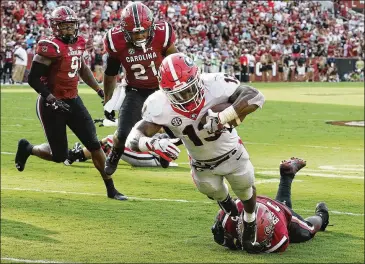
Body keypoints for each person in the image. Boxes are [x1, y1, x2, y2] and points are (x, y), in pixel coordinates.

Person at [129, 53, 265, 253]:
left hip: (231, 152)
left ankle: (250, 222)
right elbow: (134, 138)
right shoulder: (159, 104)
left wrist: (222, 117)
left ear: (198, 77)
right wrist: (151, 144)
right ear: (165, 92)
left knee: (245, 188)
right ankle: (232, 213)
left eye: (189, 89)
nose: (186, 98)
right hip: (201, 163)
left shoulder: (217, 84)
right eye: (178, 94)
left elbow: (256, 96)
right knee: (213, 191)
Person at [14, 6, 126, 201]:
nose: (69, 30)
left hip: (73, 100)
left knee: (93, 144)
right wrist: (51, 99)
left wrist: (98, 90)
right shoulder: (49, 47)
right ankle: (28, 148)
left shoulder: (79, 43)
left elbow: (81, 68)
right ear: (56, 28)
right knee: (59, 155)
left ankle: (111, 188)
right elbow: (33, 78)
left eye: (70, 26)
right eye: (64, 27)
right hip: (51, 104)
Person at [102, 2, 178, 182]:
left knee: (180, 131)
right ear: (125, 30)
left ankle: (162, 149)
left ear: (151, 26)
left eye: (144, 31)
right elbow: (111, 73)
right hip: (136, 90)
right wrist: (108, 100)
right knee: (122, 134)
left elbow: (176, 61)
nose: (141, 35)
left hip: (162, 89)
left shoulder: (162, 33)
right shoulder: (116, 40)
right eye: (135, 32)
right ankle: (115, 154)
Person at [211, 157, 330, 253]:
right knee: (283, 204)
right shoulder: (230, 217)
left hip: (279, 212)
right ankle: (287, 175)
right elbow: (223, 217)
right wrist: (223, 237)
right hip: (253, 201)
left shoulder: (280, 234)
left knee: (308, 231)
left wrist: (230, 242)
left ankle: (322, 215)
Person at [65, 132, 178, 168]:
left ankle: (76, 155)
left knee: (111, 139)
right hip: (149, 157)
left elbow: (165, 162)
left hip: (150, 159)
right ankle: (79, 155)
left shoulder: (164, 136)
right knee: (107, 146)